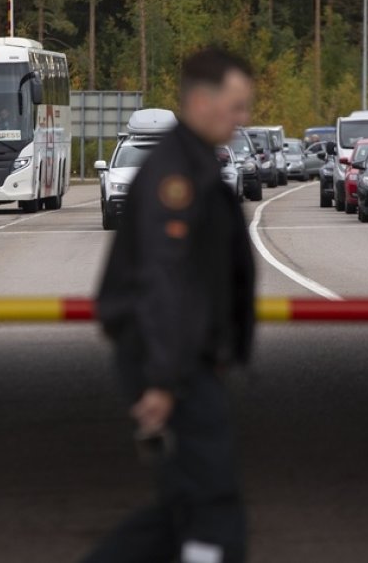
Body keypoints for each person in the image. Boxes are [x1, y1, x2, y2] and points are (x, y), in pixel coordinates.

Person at [84, 47, 257, 563]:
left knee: (183, 506)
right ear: (202, 102)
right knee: (215, 508)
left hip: (181, 359)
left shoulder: (196, 163)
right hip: (171, 362)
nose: (243, 118)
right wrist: (162, 379)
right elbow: (165, 279)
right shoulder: (175, 177)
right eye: (237, 105)